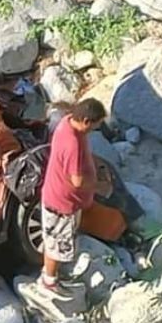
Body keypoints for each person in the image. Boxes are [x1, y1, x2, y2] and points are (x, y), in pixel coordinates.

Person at [38, 99, 109, 297]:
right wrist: (99, 186)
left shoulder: (67, 121)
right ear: (86, 121)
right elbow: (77, 181)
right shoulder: (72, 143)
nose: (94, 130)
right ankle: (49, 283)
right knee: (57, 245)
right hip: (62, 203)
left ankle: (49, 275)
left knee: (52, 239)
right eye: (94, 126)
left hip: (55, 196)